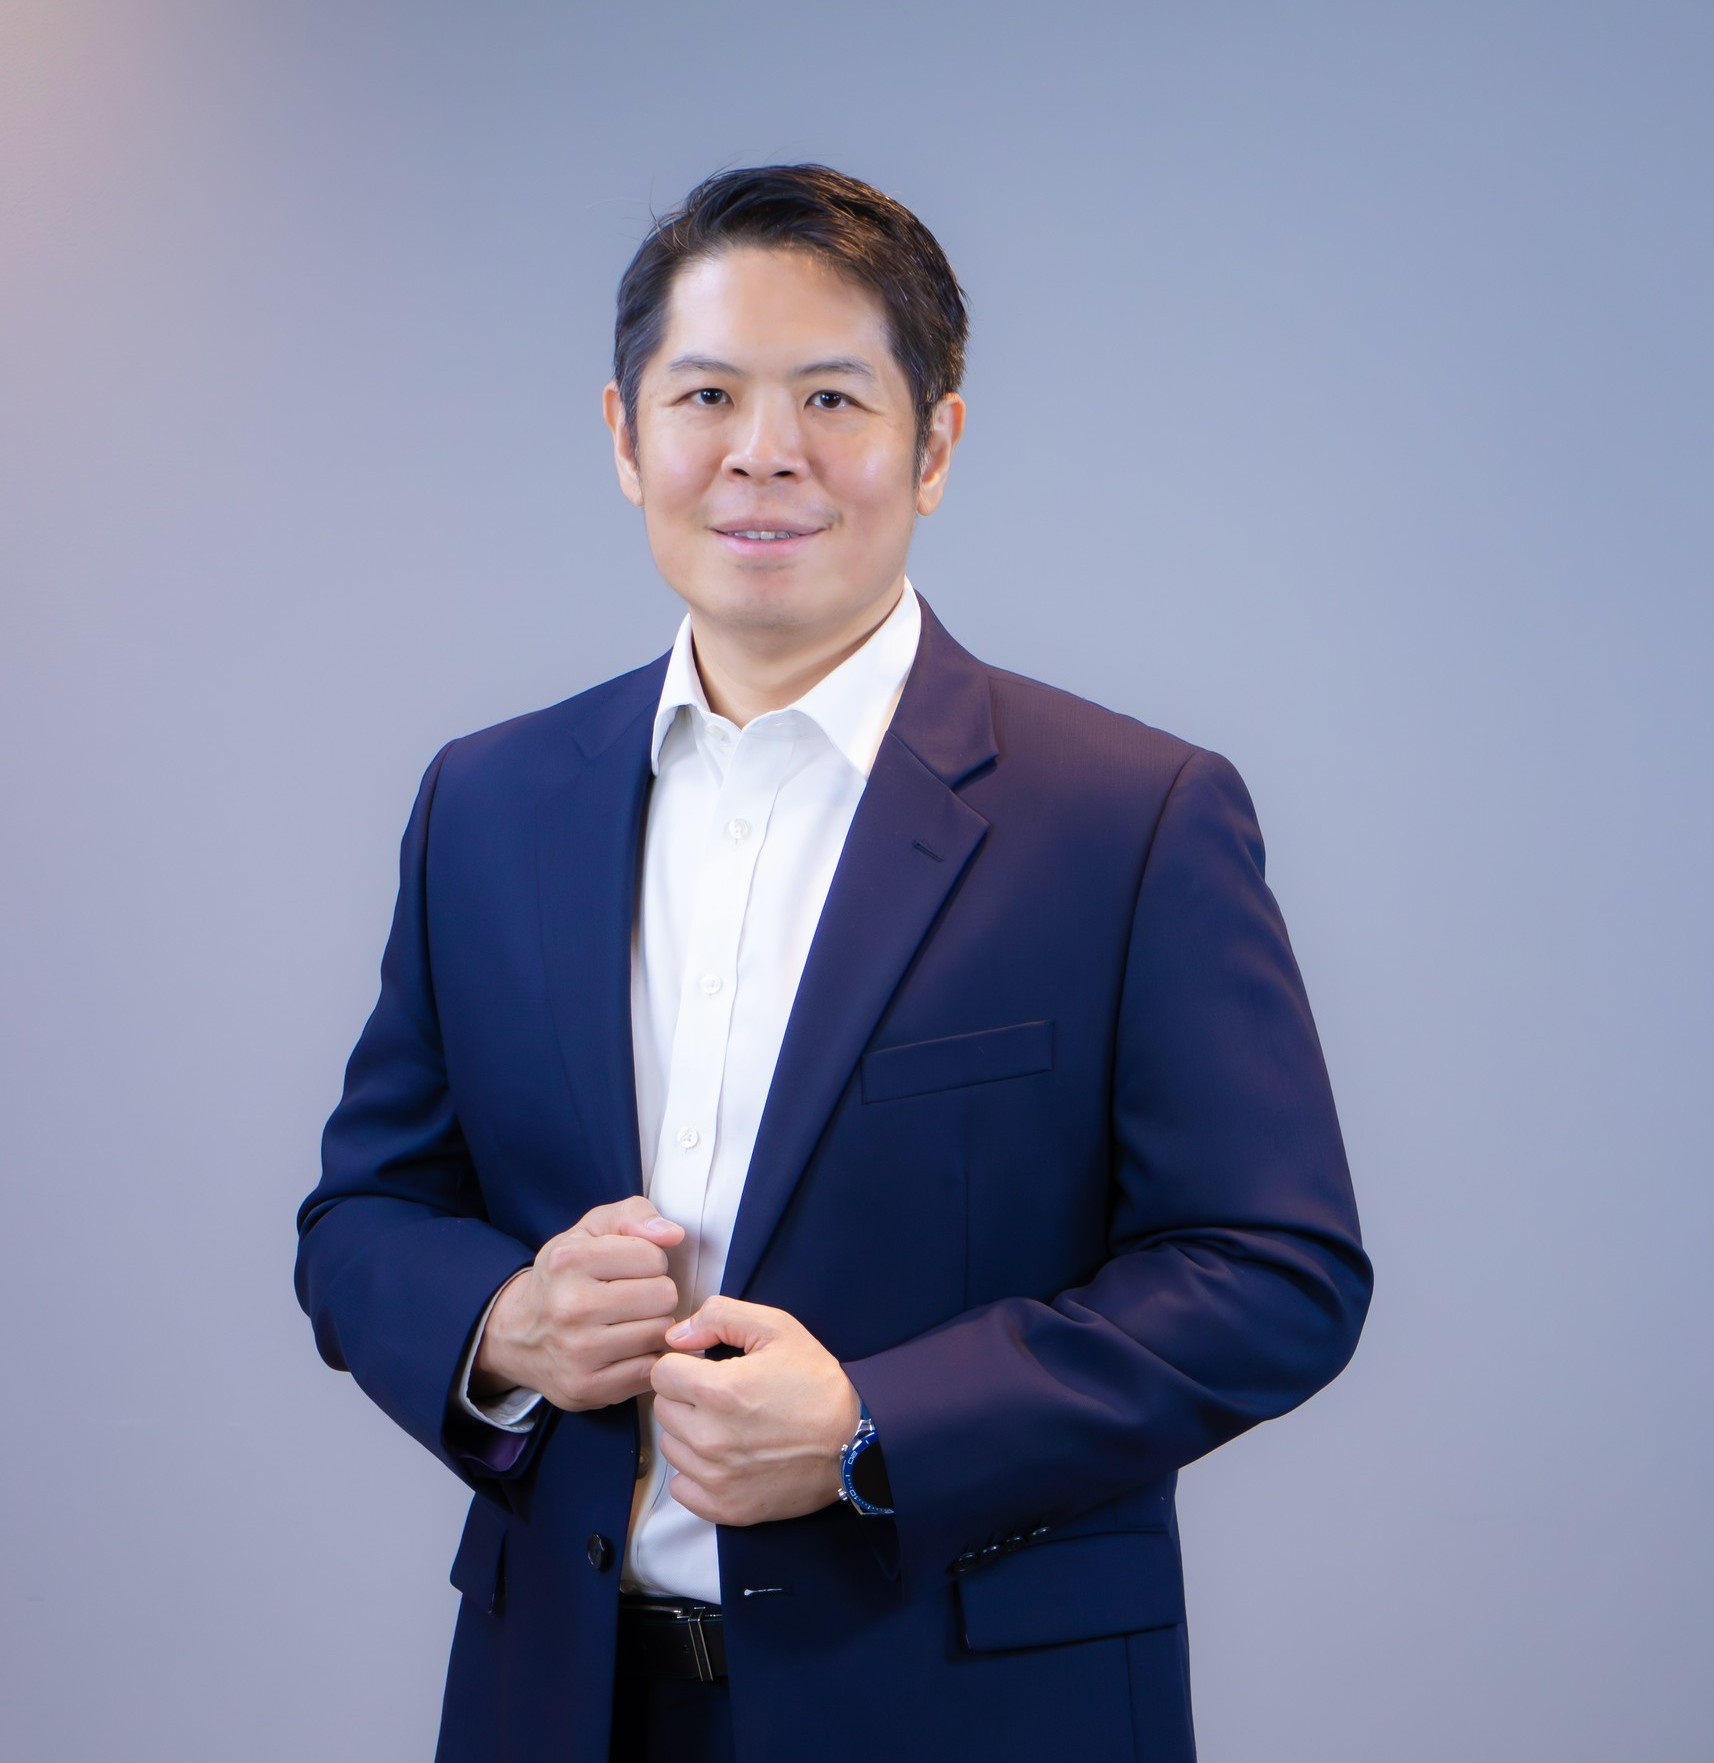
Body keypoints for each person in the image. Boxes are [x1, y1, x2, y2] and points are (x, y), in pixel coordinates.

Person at [295, 163, 1371, 1763]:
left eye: (830, 397)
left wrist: (878, 1428)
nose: (762, 451)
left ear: (933, 445)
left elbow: (1275, 1273)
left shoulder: (1128, 816)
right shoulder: (488, 802)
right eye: (706, 395)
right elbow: (363, 1215)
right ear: (624, 436)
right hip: (560, 1703)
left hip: (970, 1711)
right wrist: (505, 1324)